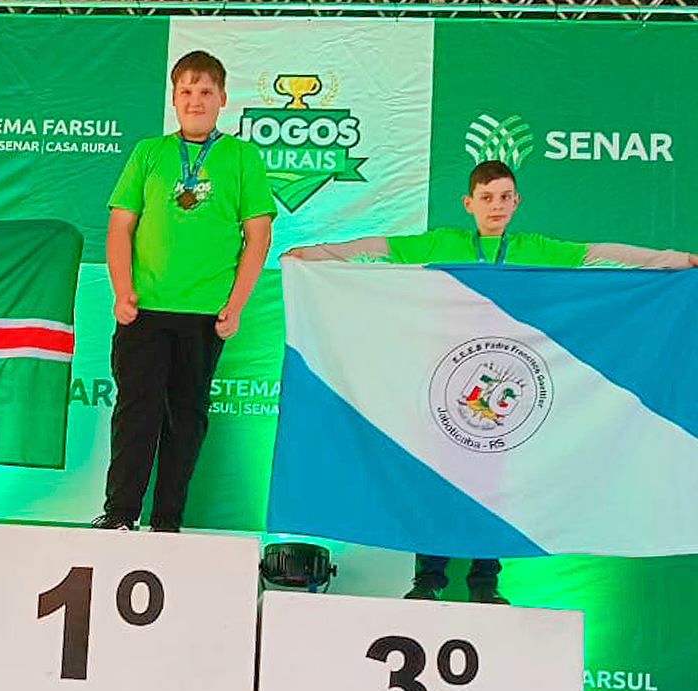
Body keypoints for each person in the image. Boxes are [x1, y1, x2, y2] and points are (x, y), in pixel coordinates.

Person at [286, 159, 698, 602]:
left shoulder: (534, 249)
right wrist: (313, 255)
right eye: (486, 198)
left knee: (497, 488)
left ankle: (484, 581)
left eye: (504, 197)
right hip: (445, 386)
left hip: (510, 390)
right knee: (436, 481)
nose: (496, 206)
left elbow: (599, 253)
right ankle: (429, 578)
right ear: (469, 203)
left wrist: (677, 261)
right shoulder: (442, 243)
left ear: (516, 201)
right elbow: (378, 248)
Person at [93, 50, 276, 532]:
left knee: (187, 419)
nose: (196, 100)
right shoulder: (148, 152)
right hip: (145, 310)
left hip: (204, 314)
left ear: (223, 98)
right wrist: (122, 291)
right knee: (136, 414)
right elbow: (120, 225)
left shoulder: (242, 157)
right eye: (186, 91)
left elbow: (258, 235)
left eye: (206, 91)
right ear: (173, 98)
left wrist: (236, 305)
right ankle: (120, 514)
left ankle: (167, 521)